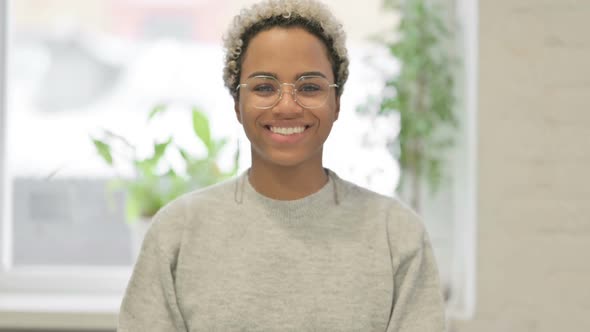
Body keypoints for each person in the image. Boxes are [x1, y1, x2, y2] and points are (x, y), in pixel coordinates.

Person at [118, 0, 445, 331]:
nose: (287, 106)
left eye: (309, 87)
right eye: (263, 87)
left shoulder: (397, 235)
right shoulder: (178, 232)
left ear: (337, 104)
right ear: (237, 104)